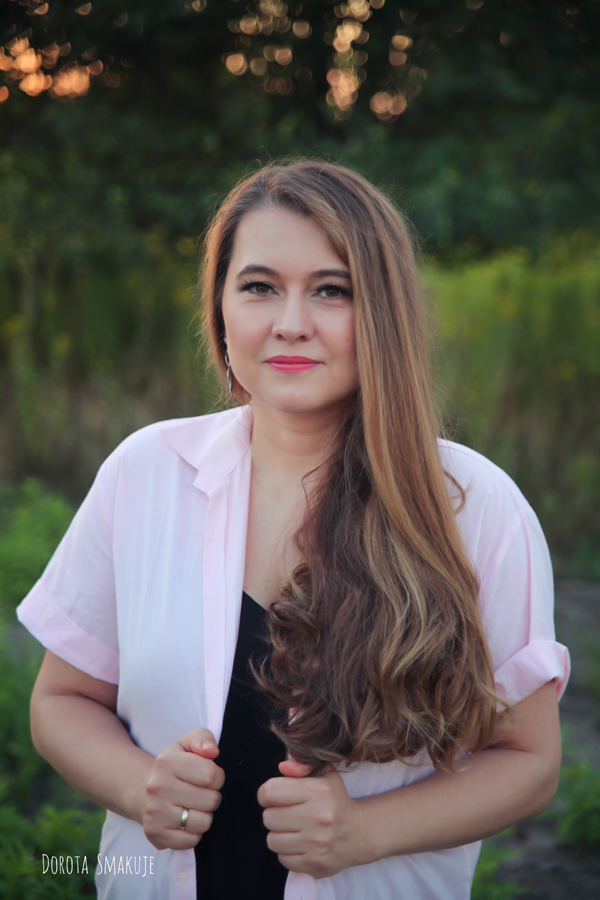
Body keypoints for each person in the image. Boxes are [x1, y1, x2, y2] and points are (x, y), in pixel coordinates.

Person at [16, 160, 570, 900]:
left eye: (331, 290)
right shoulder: (143, 474)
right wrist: (139, 785)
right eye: (259, 286)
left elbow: (529, 761)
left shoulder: (474, 507)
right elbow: (61, 702)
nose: (290, 323)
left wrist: (366, 831)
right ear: (220, 305)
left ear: (383, 312)